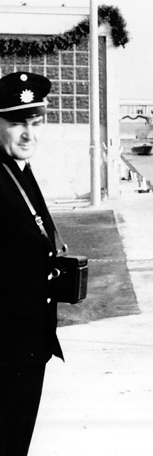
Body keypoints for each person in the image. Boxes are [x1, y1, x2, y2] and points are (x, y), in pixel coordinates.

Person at [0, 71, 63, 456]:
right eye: (18, 123)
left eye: (36, 123)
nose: (29, 134)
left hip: (26, 345)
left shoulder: (19, 170)